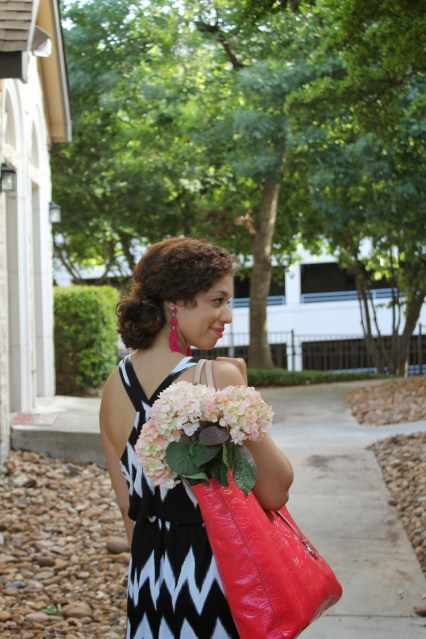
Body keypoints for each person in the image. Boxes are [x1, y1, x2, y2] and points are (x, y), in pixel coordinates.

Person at [99, 237, 294, 639]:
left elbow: (128, 506)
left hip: (149, 583)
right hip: (216, 579)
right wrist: (240, 386)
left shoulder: (113, 387)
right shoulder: (216, 376)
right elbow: (276, 489)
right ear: (175, 302)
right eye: (217, 301)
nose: (228, 315)